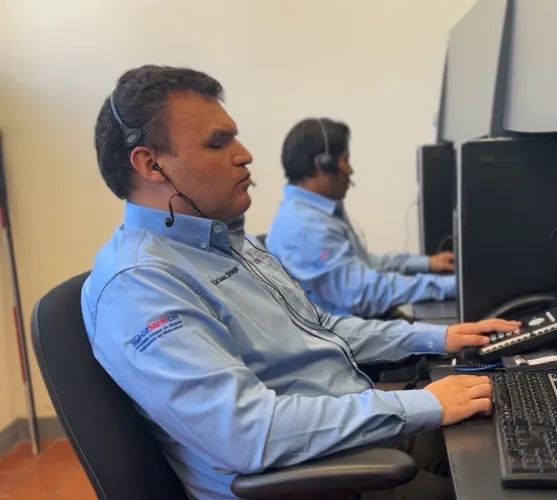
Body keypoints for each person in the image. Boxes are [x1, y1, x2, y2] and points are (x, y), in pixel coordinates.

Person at [82, 65, 520, 500]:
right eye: (218, 142)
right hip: (313, 480)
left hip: (349, 440)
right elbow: (247, 433)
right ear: (151, 164)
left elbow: (319, 326)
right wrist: (425, 403)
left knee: (508, 430)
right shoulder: (139, 285)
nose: (245, 154)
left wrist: (438, 337)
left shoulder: (226, 241)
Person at [266, 117, 456, 319]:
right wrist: (448, 286)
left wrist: (428, 263)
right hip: (349, 335)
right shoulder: (305, 227)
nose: (350, 170)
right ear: (323, 165)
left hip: (362, 325)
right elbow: (365, 294)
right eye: (345, 160)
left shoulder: (315, 212)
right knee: (461, 334)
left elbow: (362, 265)